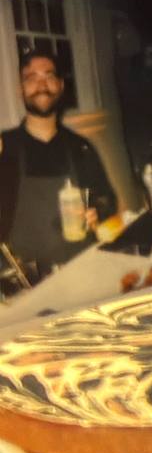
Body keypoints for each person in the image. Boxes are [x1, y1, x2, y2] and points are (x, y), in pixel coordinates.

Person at [2, 49, 115, 284]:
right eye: (31, 78)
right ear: (20, 89)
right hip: (24, 283)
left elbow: (106, 199)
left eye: (49, 76)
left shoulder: (80, 147)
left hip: (81, 275)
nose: (41, 85)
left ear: (61, 86)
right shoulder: (5, 147)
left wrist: (98, 212)